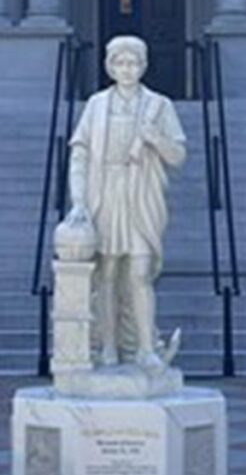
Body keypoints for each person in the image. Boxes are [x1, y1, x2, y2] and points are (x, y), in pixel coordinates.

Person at [66, 35, 186, 371]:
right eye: (120, 62)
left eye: (133, 62)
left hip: (141, 194)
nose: (127, 69)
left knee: (139, 272)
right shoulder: (96, 105)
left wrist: (155, 139)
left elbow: (177, 155)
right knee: (106, 273)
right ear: (109, 67)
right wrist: (78, 201)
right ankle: (108, 348)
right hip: (103, 191)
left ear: (143, 66)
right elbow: (80, 154)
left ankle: (145, 348)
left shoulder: (159, 106)